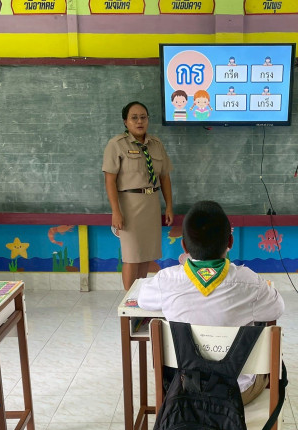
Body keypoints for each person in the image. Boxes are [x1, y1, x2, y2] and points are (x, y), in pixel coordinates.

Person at [138, 201, 284, 404]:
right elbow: (277, 308)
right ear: (230, 241)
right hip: (237, 394)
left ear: (184, 246)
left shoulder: (166, 280)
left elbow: (143, 300)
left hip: (184, 390)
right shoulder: (249, 282)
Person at [103, 101, 174, 289]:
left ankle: (139, 295)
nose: (139, 121)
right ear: (125, 121)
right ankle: (128, 299)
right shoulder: (116, 145)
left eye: (143, 117)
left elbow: (164, 177)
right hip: (129, 205)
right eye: (134, 118)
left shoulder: (156, 144)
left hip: (151, 203)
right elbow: (110, 180)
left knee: (145, 255)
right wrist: (115, 211)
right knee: (131, 256)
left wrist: (168, 206)